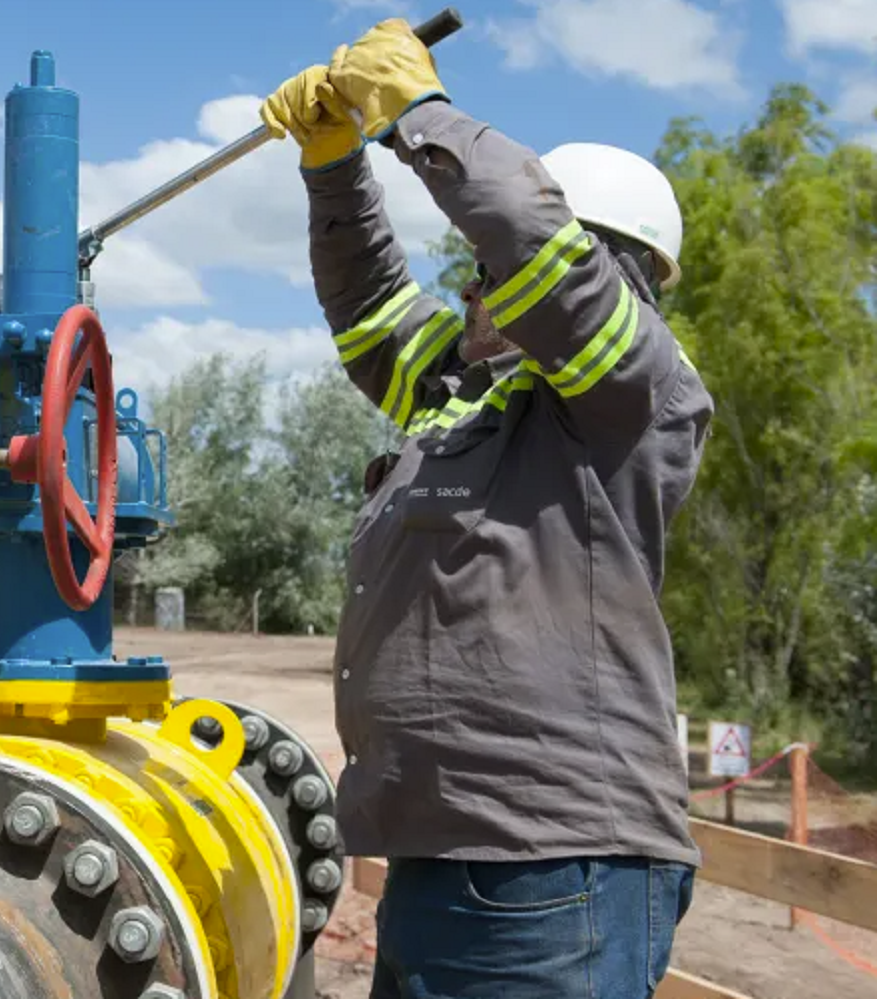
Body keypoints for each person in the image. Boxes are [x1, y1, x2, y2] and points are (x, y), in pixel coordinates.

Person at [259, 19, 712, 998]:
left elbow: (531, 240)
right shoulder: (468, 399)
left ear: (603, 270)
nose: (468, 279)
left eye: (487, 264)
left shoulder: (625, 393)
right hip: (444, 858)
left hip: (556, 869)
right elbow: (373, 313)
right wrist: (334, 167)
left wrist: (420, 115)